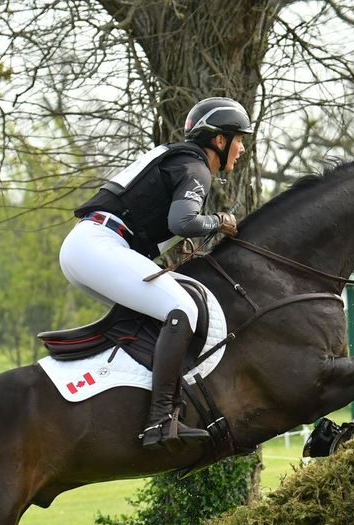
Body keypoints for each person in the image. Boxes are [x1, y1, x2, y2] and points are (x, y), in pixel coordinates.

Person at [60, 96, 253, 451]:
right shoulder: (195, 167)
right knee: (182, 310)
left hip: (92, 244)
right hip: (100, 246)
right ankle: (162, 419)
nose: (242, 148)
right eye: (239, 139)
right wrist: (220, 222)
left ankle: (125, 392)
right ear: (220, 140)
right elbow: (182, 221)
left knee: (156, 312)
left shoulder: (179, 158)